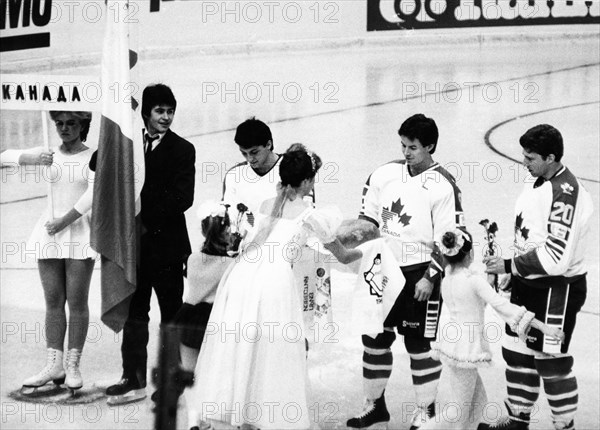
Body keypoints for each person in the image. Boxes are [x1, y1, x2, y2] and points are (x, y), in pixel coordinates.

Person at [187, 144, 362, 430]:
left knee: (243, 345)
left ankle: (240, 413)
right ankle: (264, 416)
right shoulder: (311, 215)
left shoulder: (268, 204)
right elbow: (343, 255)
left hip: (243, 277)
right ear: (306, 182)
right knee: (272, 352)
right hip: (272, 283)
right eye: (312, 179)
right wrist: (366, 253)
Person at [347, 113, 464, 429]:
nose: (407, 152)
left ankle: (426, 412)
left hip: (419, 274)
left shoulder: (443, 185)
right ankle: (375, 408)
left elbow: (451, 240)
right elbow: (368, 220)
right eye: (403, 145)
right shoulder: (383, 174)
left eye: (413, 147)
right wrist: (347, 236)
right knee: (375, 339)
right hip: (382, 271)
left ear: (430, 146)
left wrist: (431, 276)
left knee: (418, 346)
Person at [481, 124, 593, 430]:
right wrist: (515, 275)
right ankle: (518, 419)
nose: (523, 162)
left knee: (551, 362)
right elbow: (531, 234)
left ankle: (563, 426)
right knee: (516, 352)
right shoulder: (540, 179)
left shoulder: (565, 195)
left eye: (530, 157)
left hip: (555, 292)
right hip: (528, 284)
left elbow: (555, 259)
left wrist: (509, 266)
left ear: (551, 157)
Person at [105, 84, 196, 404]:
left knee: (171, 314)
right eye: (160, 111)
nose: (166, 117)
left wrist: (143, 215)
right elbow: (96, 167)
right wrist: (110, 143)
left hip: (167, 248)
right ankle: (134, 377)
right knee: (135, 313)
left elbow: (183, 197)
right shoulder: (128, 146)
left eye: (170, 111)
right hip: (135, 250)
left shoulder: (183, 149)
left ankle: (173, 379)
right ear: (145, 113)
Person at [421, 229, 564, 430]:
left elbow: (474, 300)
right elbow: (502, 306)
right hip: (466, 351)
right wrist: (543, 327)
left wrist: (489, 277)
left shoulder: (448, 277)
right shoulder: (472, 280)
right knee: (458, 412)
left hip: (452, 344)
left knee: (478, 403)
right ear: (470, 254)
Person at [18, 111, 96, 394]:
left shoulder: (93, 155)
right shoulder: (48, 153)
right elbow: (3, 157)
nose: (64, 128)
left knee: (77, 301)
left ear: (83, 125)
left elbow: (92, 194)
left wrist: (65, 221)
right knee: (53, 300)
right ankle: (54, 364)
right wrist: (31, 158)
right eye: (59, 123)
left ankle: (73, 364)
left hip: (76, 228)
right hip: (49, 230)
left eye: (71, 123)